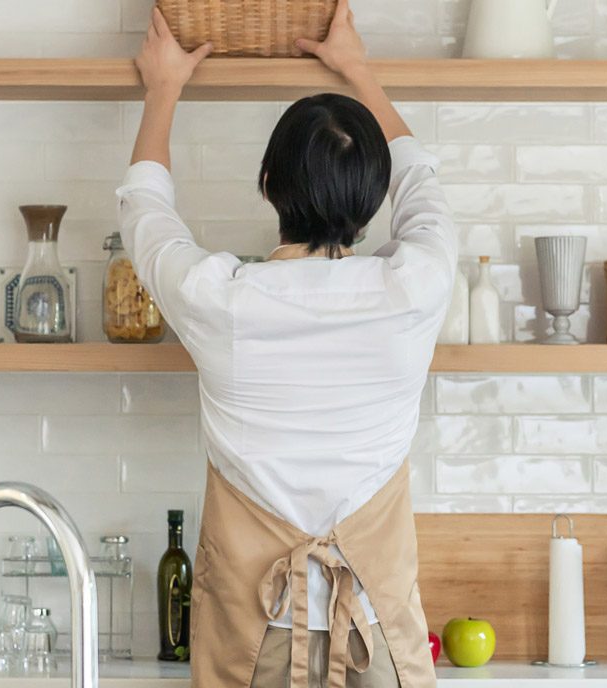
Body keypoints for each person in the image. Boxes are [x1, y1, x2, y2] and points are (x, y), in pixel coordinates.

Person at [118, 2, 456, 686]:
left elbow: (145, 213)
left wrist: (164, 88)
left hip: (254, 645)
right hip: (377, 637)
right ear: (372, 203)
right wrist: (357, 69)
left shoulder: (223, 299)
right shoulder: (413, 288)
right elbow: (424, 182)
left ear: (268, 186)